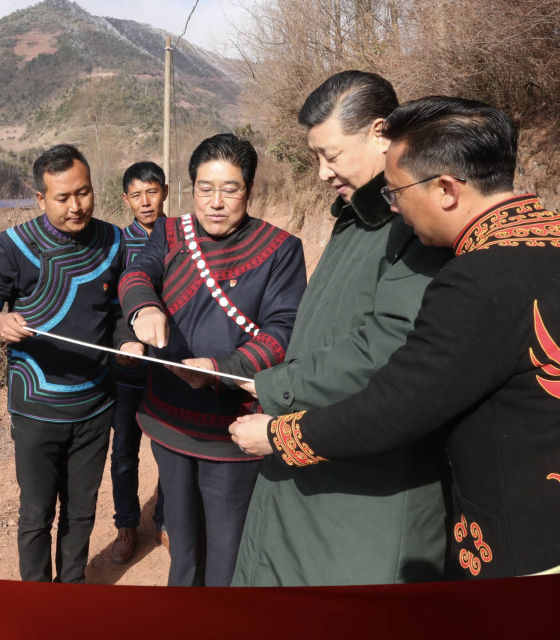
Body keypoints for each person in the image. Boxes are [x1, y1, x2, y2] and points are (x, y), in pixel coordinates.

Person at [230, 96, 560, 579]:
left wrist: (279, 436)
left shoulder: (477, 278)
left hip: (526, 549)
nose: (394, 207)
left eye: (396, 191)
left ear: (446, 189)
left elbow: (397, 406)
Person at [227, 71, 452, 587]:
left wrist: (279, 387)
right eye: (315, 158)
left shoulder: (415, 225)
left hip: (366, 493)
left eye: (331, 155)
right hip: (313, 465)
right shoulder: (357, 218)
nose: (323, 173)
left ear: (380, 133)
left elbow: (389, 346)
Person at [119, 133, 306, 586]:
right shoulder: (169, 233)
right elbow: (138, 272)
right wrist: (144, 308)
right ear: (191, 188)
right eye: (205, 188)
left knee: (227, 549)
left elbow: (283, 331)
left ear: (250, 189)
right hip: (169, 418)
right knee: (182, 545)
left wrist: (220, 370)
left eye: (230, 189)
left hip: (233, 430)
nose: (215, 202)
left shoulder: (280, 248)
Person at [0, 144, 138, 583]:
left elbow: (119, 310)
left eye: (84, 193)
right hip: (36, 408)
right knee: (36, 513)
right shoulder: (15, 246)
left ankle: (71, 587)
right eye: (63, 198)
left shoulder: (114, 241)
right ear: (41, 199)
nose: (76, 206)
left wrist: (129, 340)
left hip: (95, 405)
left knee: (81, 511)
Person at [109, 161, 168, 564]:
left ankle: (166, 521)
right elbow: (110, 306)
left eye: (152, 192)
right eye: (136, 195)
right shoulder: (117, 244)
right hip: (128, 365)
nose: (145, 202)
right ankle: (126, 525)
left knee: (169, 448)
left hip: (170, 364)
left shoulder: (182, 235)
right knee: (124, 451)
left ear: (164, 191)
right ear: (126, 200)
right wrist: (123, 342)